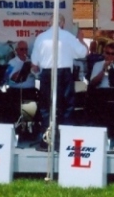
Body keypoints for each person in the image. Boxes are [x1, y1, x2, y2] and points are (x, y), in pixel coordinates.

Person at [31, 15, 88, 151]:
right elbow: (84, 53)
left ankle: (46, 140)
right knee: (66, 107)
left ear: (49, 23)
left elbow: (34, 63)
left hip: (46, 73)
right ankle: (65, 139)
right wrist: (80, 39)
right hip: (64, 74)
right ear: (62, 23)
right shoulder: (68, 36)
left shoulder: (41, 37)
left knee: (46, 107)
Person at [86, 43, 114, 135]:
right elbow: (93, 82)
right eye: (108, 53)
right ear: (104, 53)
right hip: (101, 92)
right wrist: (104, 70)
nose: (110, 56)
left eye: (112, 54)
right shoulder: (97, 65)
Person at [1, 40, 38, 124]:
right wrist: (21, 70)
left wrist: (34, 68)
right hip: (16, 91)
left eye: (26, 49)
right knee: (14, 112)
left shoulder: (31, 61)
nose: (24, 51)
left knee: (30, 113)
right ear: (17, 51)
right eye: (21, 49)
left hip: (30, 90)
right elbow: (8, 79)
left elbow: (38, 75)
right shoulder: (12, 62)